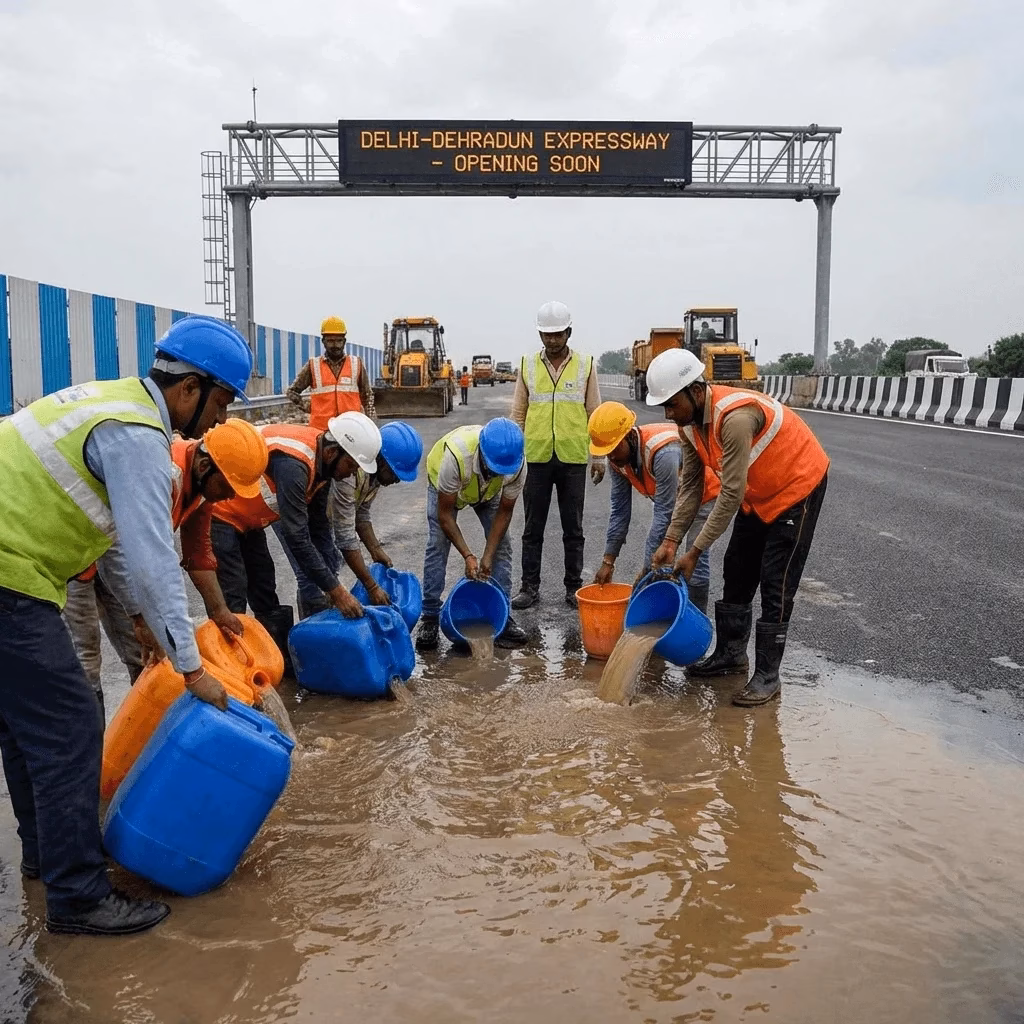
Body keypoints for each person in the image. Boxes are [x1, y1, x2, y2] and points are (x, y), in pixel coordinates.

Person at [0, 314, 252, 936]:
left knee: (24, 725)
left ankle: (46, 856)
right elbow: (153, 561)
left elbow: (115, 544)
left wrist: (146, 622)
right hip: (9, 571)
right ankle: (79, 897)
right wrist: (191, 670)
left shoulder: (113, 403)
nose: (218, 419)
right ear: (189, 388)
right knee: (70, 728)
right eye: (221, 402)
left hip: (18, 569)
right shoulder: (139, 437)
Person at [646, 349, 829, 706]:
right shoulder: (690, 425)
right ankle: (731, 655)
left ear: (695, 392)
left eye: (671, 404)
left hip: (796, 487)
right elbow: (692, 486)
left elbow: (729, 494)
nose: (668, 414)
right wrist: (671, 540)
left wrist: (694, 551)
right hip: (757, 493)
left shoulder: (735, 418)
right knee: (737, 568)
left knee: (776, 582)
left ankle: (768, 676)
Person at [62, 419, 269, 717]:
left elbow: (198, 554)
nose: (230, 497)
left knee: (147, 655)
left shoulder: (201, 488)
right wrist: (140, 617)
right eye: (227, 487)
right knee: (85, 659)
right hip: (78, 558)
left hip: (122, 557)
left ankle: (141, 728)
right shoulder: (162, 473)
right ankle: (88, 741)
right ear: (205, 466)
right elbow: (132, 553)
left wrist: (219, 610)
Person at [210, 412, 381, 640]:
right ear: (332, 452)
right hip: (221, 512)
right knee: (234, 593)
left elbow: (319, 527)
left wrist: (330, 583)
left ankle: (277, 653)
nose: (351, 473)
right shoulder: (294, 464)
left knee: (264, 586)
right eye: (351, 465)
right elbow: (297, 537)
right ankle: (230, 656)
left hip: (250, 519)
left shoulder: (323, 463)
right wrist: (337, 592)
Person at [510, 301, 605, 611]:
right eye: (546, 335)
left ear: (569, 332)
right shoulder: (527, 365)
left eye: (558, 334)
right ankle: (529, 587)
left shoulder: (586, 364)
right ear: (540, 334)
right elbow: (518, 413)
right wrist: (513, 457)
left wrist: (599, 456)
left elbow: (595, 413)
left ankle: (573, 586)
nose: (552, 340)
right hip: (536, 457)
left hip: (572, 458)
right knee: (532, 528)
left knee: (573, 529)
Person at [587, 401, 719, 614]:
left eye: (614, 448)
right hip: (675, 499)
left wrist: (648, 569)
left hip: (704, 495)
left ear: (629, 435)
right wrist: (608, 561)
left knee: (694, 560)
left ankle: (695, 620)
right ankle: (663, 616)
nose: (611, 456)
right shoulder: (617, 460)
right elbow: (620, 512)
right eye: (607, 451)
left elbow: (664, 514)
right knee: (662, 563)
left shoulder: (662, 453)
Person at [415, 419, 529, 652]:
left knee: (503, 547)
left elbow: (505, 512)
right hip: (446, 487)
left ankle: (503, 616)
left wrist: (487, 556)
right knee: (438, 543)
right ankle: (430, 616)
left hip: (487, 493)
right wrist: (468, 555)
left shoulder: (516, 464)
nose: (499, 473)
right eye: (495, 468)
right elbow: (445, 515)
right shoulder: (456, 457)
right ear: (483, 455)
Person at [330, 421, 423, 604]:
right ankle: (313, 618)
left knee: (329, 571)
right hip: (295, 512)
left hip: (326, 518)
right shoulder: (350, 473)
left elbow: (361, 515)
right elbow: (345, 537)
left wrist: (376, 550)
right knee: (314, 579)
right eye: (394, 473)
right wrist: (372, 587)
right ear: (381, 460)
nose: (396, 481)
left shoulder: (375, 476)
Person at [286, 316, 376, 428]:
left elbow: (367, 396)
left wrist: (371, 423)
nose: (335, 345)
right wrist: (309, 407)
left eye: (339, 341)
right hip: (321, 429)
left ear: (344, 341)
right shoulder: (313, 365)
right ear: (323, 341)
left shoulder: (356, 364)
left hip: (351, 429)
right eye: (331, 341)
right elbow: (292, 392)